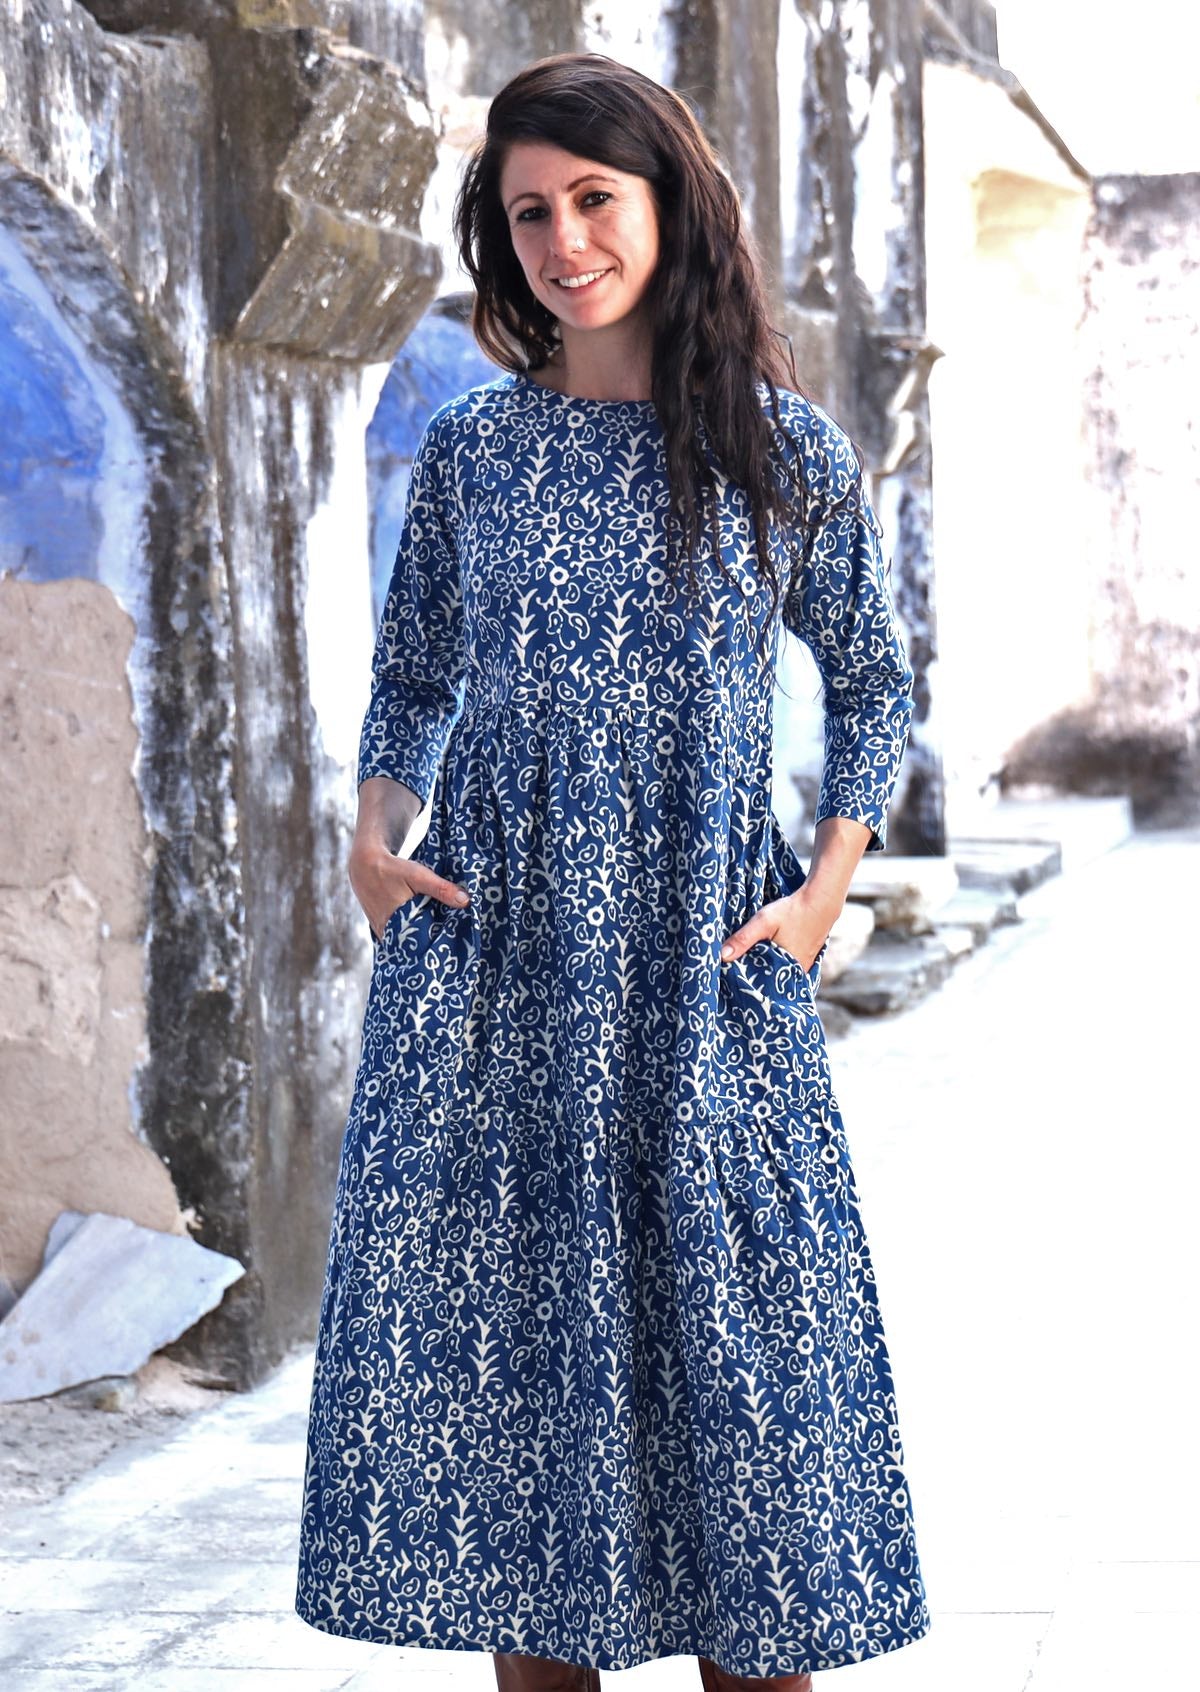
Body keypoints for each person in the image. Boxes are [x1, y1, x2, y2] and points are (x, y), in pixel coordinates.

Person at [295, 49, 932, 1692]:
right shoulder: (478, 456)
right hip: (505, 984)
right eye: (527, 213)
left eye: (594, 199)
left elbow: (874, 681)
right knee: (523, 1447)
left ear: (668, 206)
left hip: (707, 978)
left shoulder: (779, 453)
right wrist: (375, 836)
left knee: (759, 1467)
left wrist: (825, 891)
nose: (562, 239)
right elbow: (416, 674)